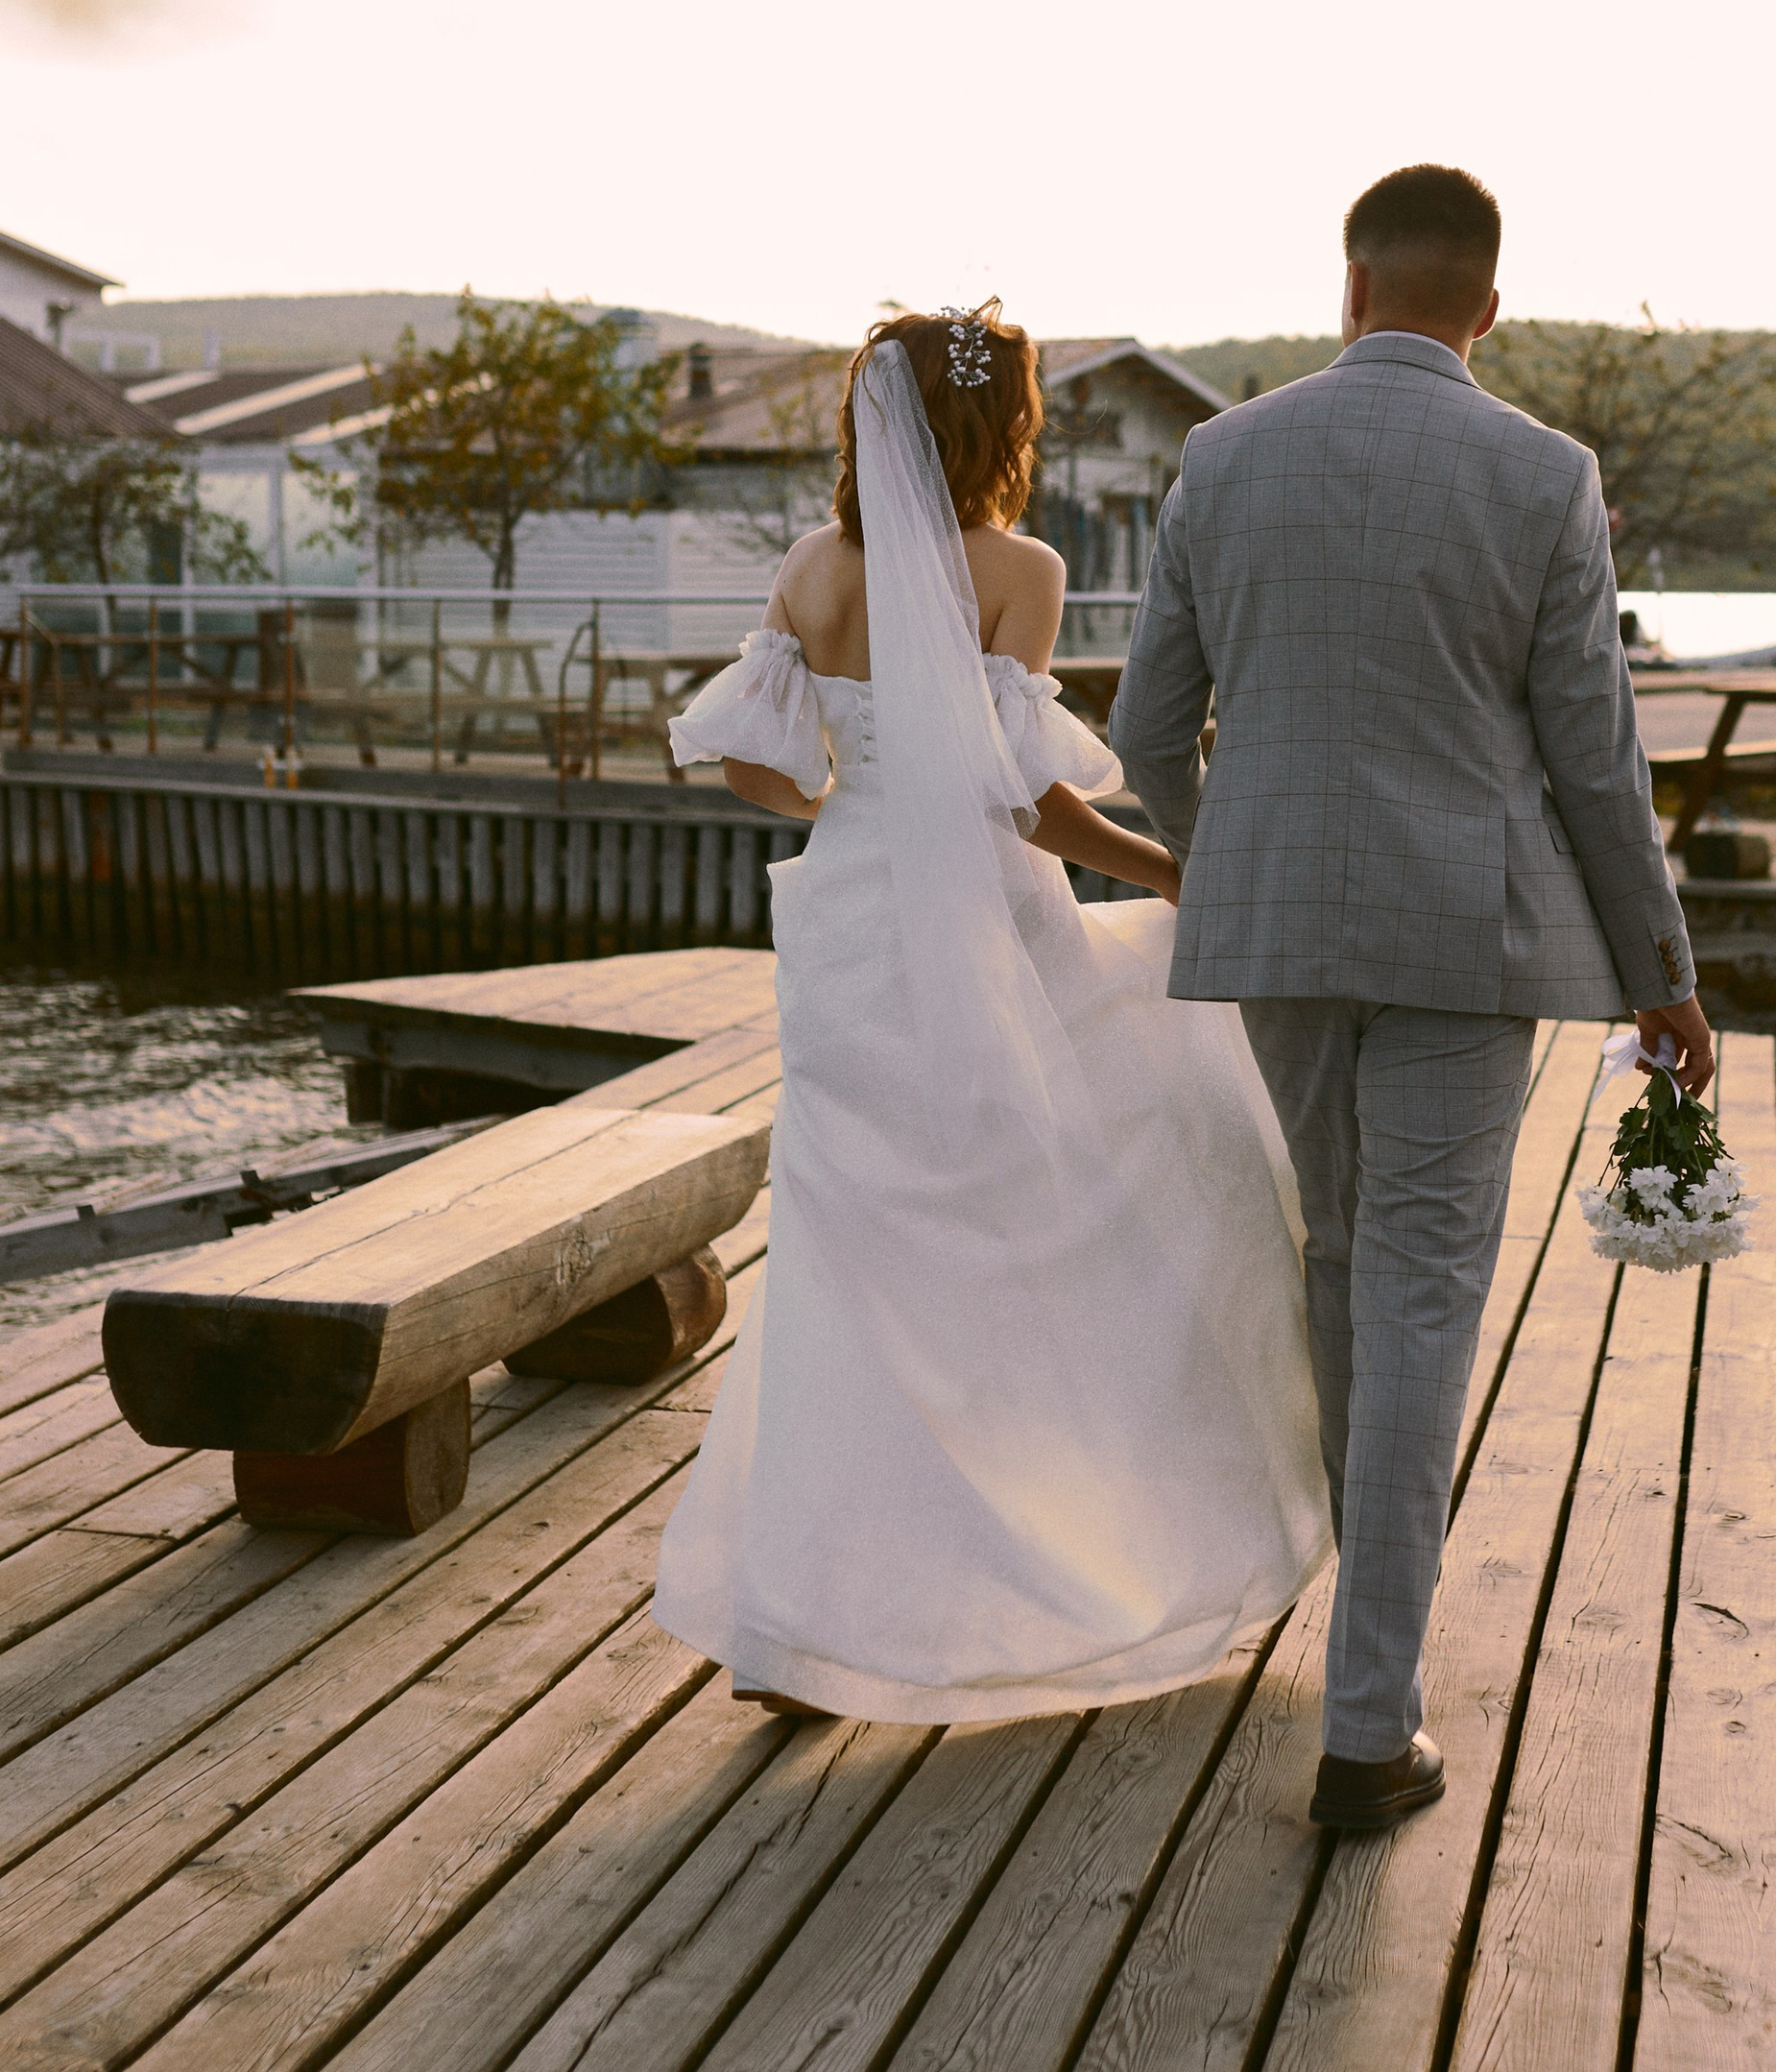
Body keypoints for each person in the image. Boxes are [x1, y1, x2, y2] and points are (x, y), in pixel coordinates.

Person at [1111, 164, 1712, 1834]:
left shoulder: (1222, 458)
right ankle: (1369, 1721)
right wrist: (1662, 971)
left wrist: (1231, 860)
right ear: (1489, 309)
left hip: (1282, 928)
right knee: (1427, 1286)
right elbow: (1593, 752)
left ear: (1352, 286)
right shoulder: (1543, 473)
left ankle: (1361, 1649)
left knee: (1342, 1255)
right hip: (1473, 935)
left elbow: (1151, 728)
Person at [649, 307, 1330, 1723]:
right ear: (1002, 422)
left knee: (854, 1261)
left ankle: (807, 1636)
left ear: (870, 418)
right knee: (1098, 1204)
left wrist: (856, 803)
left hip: (849, 927)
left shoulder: (810, 568)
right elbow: (1026, 797)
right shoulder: (1022, 567)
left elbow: (758, 777)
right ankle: (1078, 1557)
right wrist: (1174, 870)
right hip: (987, 926)